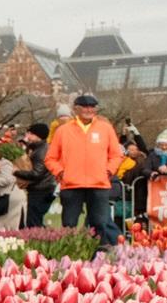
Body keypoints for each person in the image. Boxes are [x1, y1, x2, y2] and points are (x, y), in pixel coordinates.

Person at [42, 94, 123, 244]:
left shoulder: (106, 128)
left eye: (92, 107)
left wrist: (109, 171)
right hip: (72, 184)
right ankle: (71, 255)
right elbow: (50, 158)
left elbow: (116, 155)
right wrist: (60, 172)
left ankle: (101, 252)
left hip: (99, 184)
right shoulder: (63, 131)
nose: (89, 109)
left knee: (100, 223)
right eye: (85, 106)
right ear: (76, 109)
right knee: (69, 224)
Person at [13, 123, 56, 226]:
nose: (28, 136)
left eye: (31, 134)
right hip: (43, 189)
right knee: (35, 219)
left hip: (40, 190)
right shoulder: (38, 148)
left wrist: (16, 172)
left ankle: (37, 241)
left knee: (34, 222)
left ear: (38, 135)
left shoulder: (41, 152)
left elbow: (36, 174)